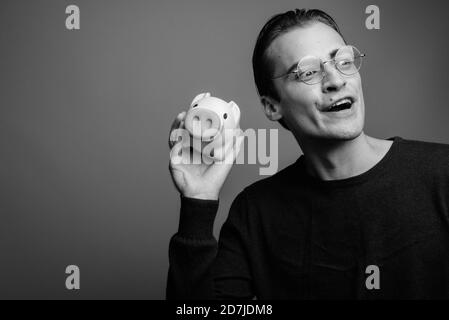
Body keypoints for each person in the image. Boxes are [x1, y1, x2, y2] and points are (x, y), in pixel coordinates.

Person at [166, 9, 449, 299]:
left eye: (343, 61)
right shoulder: (254, 214)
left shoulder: (442, 174)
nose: (336, 80)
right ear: (272, 106)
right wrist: (197, 203)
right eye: (309, 72)